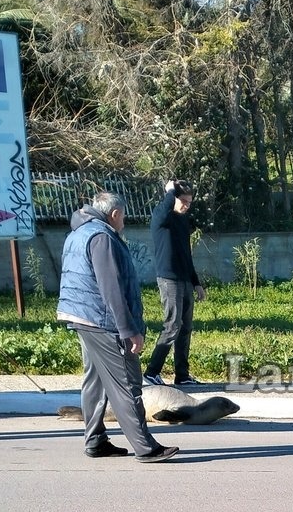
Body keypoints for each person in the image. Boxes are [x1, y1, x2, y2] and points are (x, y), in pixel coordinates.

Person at [57, 191, 178, 462]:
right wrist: (128, 329)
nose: (123, 221)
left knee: (95, 382)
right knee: (127, 382)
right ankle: (145, 447)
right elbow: (110, 287)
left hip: (81, 316)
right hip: (102, 320)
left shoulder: (77, 233)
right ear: (114, 214)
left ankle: (96, 441)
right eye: (122, 216)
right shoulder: (102, 237)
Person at [143, 179, 207, 386]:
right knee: (172, 325)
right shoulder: (162, 217)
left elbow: (186, 254)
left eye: (190, 202)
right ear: (173, 198)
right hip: (168, 279)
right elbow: (164, 207)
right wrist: (170, 191)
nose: (186, 206)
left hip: (185, 279)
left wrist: (196, 282)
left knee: (185, 327)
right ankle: (152, 372)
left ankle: (182, 375)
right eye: (183, 201)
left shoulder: (182, 221)